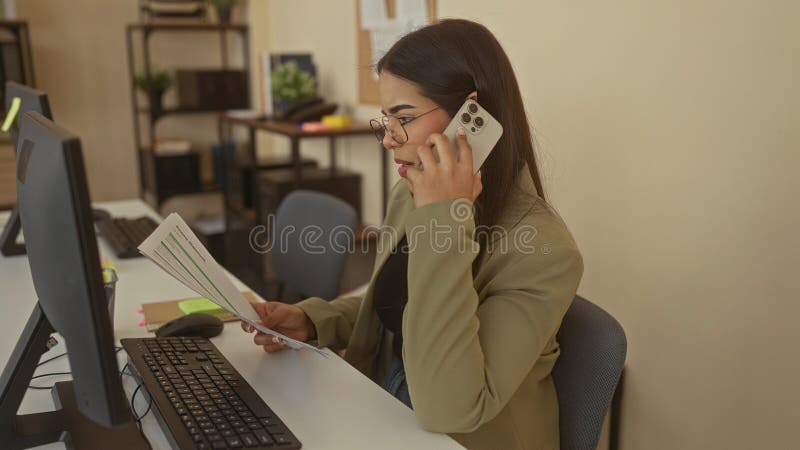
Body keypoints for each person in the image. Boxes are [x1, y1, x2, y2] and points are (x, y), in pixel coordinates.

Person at [242, 19, 583, 450]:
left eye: (403, 118)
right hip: (392, 406)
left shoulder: (545, 250)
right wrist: (315, 320)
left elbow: (450, 407)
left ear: (470, 116)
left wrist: (444, 215)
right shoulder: (412, 193)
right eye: (385, 120)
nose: (388, 140)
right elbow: (402, 303)